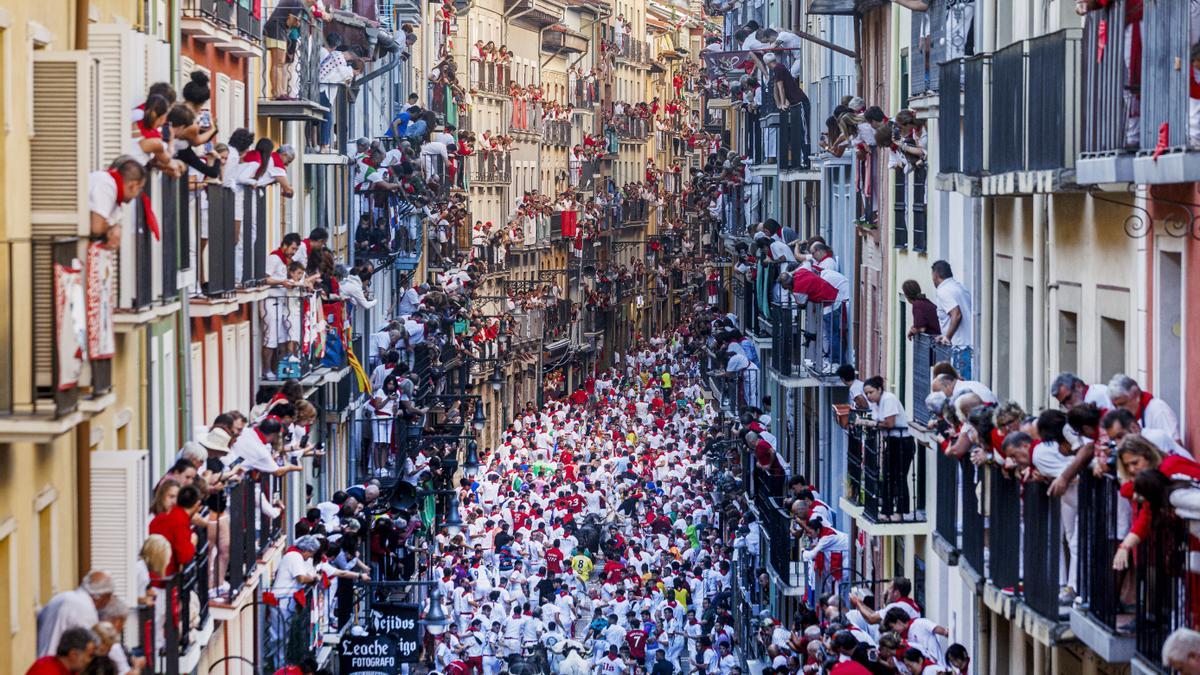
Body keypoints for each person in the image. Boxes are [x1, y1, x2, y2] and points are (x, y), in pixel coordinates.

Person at [857, 377, 916, 520]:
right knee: (888, 476)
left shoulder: (888, 399)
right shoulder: (876, 404)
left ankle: (900, 512)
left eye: (871, 392)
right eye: (867, 394)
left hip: (903, 442)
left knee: (899, 476)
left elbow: (890, 423)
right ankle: (886, 511)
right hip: (891, 441)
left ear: (879, 389)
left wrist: (867, 423)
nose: (869, 396)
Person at [36, 572, 113, 657]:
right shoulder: (86, 610)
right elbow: (87, 647)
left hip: (41, 660)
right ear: (105, 596)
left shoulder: (60, 598)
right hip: (60, 664)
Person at [88, 157, 148, 247]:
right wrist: (112, 226)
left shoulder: (111, 185)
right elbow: (96, 228)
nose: (137, 195)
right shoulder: (107, 186)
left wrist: (113, 226)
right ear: (133, 185)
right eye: (139, 189)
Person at [930, 260, 973, 377]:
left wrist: (947, 337)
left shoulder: (943, 291)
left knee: (960, 388)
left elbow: (956, 313)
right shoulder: (960, 288)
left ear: (936, 275)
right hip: (969, 345)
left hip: (960, 348)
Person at [1107, 373, 1181, 441]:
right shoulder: (1133, 415)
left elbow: (1175, 447)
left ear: (1136, 395)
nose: (1119, 409)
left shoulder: (1159, 411)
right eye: (1115, 406)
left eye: (1122, 404)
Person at [27, 627, 99, 675]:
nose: (90, 660)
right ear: (73, 655)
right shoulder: (45, 670)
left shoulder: (70, 670)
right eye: (90, 655)